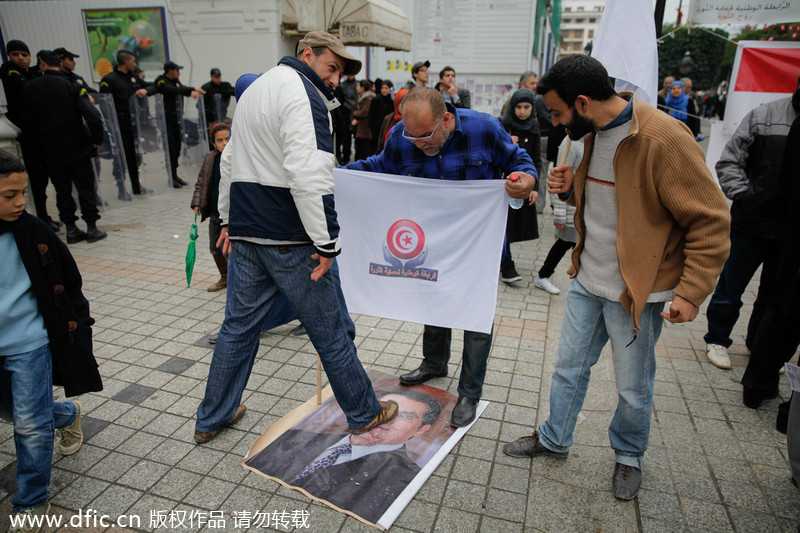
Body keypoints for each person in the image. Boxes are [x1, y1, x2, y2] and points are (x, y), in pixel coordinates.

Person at [502, 55, 730, 501]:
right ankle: (554, 437)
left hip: (638, 292)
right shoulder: (585, 135)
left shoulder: (663, 137)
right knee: (568, 369)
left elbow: (711, 220)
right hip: (588, 279)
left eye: (559, 111)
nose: (554, 120)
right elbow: (613, 200)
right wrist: (570, 187)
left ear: (584, 102)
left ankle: (628, 456)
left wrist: (692, 291)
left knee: (632, 387)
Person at [194, 31, 398, 444]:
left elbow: (229, 161)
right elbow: (310, 174)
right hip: (290, 236)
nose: (335, 78)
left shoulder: (256, 89)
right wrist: (327, 244)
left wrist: (230, 221)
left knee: (238, 328)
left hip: (249, 234)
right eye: (332, 66)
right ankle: (363, 412)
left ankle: (212, 417)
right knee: (331, 331)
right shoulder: (304, 94)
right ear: (307, 54)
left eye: (340, 72)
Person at [344, 87, 537, 428]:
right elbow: (379, 166)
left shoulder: (484, 128)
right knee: (433, 298)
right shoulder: (402, 138)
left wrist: (526, 179)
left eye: (427, 136)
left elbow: (519, 161)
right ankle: (434, 362)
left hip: (478, 242)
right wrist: (339, 176)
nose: (419, 143)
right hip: (433, 240)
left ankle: (469, 391)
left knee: (475, 315)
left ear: (446, 118)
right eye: (413, 137)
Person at [0, 152, 103, 528]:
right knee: (13, 413)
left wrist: (79, 327)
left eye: (22, 192)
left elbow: (69, 283)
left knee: (28, 424)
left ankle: (31, 502)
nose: (18, 203)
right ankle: (66, 414)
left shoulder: (35, 231)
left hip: (30, 341)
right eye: (8, 195)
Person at [704, 75, 799, 371]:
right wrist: (745, 195)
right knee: (732, 286)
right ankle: (717, 338)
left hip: (791, 230)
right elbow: (730, 160)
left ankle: (759, 342)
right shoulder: (766, 114)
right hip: (751, 221)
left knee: (773, 293)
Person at [245, 389, 440, 523]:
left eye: (405, 416)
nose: (388, 418)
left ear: (422, 429)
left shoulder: (405, 478)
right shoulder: (297, 437)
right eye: (383, 408)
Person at [740, 83, 800, 408]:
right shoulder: (769, 113)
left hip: (787, 225)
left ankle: (764, 383)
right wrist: (745, 195)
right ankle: (760, 385)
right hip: (772, 221)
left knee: (779, 304)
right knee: (783, 309)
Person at [22, 50, 106, 244]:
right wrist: (96, 140)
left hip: (50, 149)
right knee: (85, 187)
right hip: (77, 147)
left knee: (62, 189)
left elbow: (28, 122)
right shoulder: (72, 86)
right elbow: (93, 116)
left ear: (41, 63)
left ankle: (71, 228)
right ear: (58, 64)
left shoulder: (30, 88)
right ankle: (92, 228)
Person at [0, 40, 57, 232]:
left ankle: (44, 215)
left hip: (40, 137)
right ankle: (39, 215)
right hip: (26, 137)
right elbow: (26, 88)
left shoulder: (32, 74)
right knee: (34, 181)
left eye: (24, 55)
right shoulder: (9, 72)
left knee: (42, 180)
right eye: (16, 54)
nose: (21, 59)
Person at [498, 88, 541, 284]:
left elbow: (536, 159)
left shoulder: (533, 126)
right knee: (502, 226)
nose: (522, 111)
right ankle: (507, 264)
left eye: (527, 107)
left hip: (522, 185)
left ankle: (503, 260)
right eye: (519, 107)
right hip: (502, 184)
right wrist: (505, 142)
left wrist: (534, 186)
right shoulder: (502, 125)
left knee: (512, 226)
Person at [532, 136, 583, 295]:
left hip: (583, 208)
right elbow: (558, 179)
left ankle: (576, 282)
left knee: (573, 245)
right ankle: (543, 275)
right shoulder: (572, 143)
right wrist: (560, 214)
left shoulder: (593, 140)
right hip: (571, 208)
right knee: (565, 243)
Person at [99, 50, 151, 199]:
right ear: (125, 61)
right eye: (133, 61)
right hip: (119, 127)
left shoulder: (133, 78)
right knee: (120, 159)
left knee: (135, 156)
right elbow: (104, 104)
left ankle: (136, 185)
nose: (135, 63)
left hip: (134, 125)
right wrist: (111, 125)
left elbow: (149, 86)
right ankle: (121, 188)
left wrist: (145, 90)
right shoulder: (110, 80)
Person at [150, 61, 204, 188]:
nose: (179, 73)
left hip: (177, 122)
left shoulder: (176, 82)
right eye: (177, 70)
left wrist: (190, 93)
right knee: (171, 150)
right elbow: (171, 90)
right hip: (166, 122)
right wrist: (192, 89)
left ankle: (175, 176)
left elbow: (181, 89)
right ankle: (171, 177)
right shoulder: (161, 81)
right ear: (170, 71)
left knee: (177, 149)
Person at [191, 123, 231, 292]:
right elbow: (201, 182)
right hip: (215, 212)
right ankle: (225, 277)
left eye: (227, 139)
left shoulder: (238, 157)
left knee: (230, 249)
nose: (224, 143)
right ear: (213, 143)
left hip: (231, 213)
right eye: (219, 140)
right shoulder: (210, 158)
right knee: (215, 247)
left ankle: (238, 279)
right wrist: (197, 202)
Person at [334, 74, 357, 165]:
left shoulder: (357, 85)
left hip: (354, 115)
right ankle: (344, 157)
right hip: (344, 115)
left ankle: (348, 156)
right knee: (344, 138)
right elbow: (338, 101)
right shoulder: (342, 86)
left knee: (353, 138)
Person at [351, 79, 375, 161]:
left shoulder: (369, 98)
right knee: (358, 148)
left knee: (363, 149)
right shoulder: (360, 97)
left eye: (358, 86)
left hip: (365, 128)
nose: (356, 88)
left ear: (362, 87)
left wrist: (355, 113)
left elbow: (365, 112)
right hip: (359, 127)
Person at [368, 79, 394, 154]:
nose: (384, 90)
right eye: (382, 88)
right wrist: (372, 127)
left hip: (389, 128)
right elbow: (371, 115)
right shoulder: (376, 100)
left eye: (386, 88)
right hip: (377, 129)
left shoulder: (392, 100)